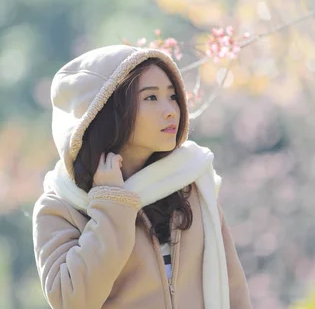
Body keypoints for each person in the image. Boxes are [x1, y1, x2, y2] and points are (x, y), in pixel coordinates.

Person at [32, 44, 251, 309]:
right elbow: (72, 300)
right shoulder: (60, 207)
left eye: (172, 96)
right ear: (106, 111)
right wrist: (111, 205)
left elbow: (233, 287)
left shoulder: (190, 182)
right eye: (151, 98)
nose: (171, 110)